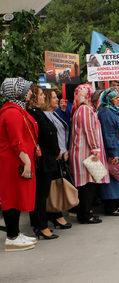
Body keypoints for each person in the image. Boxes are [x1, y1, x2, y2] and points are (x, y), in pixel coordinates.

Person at [0, 78, 39, 251]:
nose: (30, 92)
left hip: (15, 160)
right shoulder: (12, 112)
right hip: (13, 162)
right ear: (17, 92)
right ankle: (12, 237)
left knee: (16, 196)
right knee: (11, 197)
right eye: (27, 89)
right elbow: (16, 141)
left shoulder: (16, 110)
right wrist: (27, 161)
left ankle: (14, 233)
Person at [70, 84, 109, 224]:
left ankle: (86, 212)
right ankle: (85, 214)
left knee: (89, 184)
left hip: (85, 153)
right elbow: (89, 130)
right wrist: (95, 148)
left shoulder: (82, 109)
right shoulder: (85, 109)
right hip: (86, 153)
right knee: (88, 185)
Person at [25, 85, 61, 240]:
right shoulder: (34, 113)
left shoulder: (37, 112)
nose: (42, 98)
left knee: (41, 193)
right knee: (40, 194)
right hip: (43, 159)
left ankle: (39, 224)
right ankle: (41, 226)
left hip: (46, 157)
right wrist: (56, 150)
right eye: (40, 95)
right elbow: (48, 133)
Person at [97, 88, 119, 215]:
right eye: (116, 98)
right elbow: (108, 134)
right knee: (112, 176)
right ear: (109, 100)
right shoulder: (106, 112)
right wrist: (113, 152)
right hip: (114, 149)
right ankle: (110, 207)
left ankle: (115, 204)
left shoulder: (113, 110)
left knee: (118, 175)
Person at [42, 89, 72, 230]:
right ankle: (56, 215)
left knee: (56, 186)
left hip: (60, 154)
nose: (57, 99)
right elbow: (53, 136)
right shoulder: (46, 115)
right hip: (55, 156)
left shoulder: (54, 113)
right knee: (54, 187)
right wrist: (61, 151)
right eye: (53, 97)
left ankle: (56, 214)